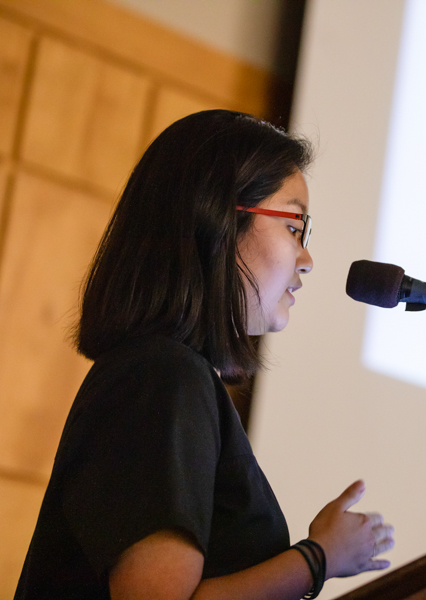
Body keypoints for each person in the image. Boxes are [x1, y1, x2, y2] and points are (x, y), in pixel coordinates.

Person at [15, 110, 394, 599]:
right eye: (295, 227)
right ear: (217, 219)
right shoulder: (162, 377)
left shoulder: (167, 374)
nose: (307, 259)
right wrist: (317, 559)